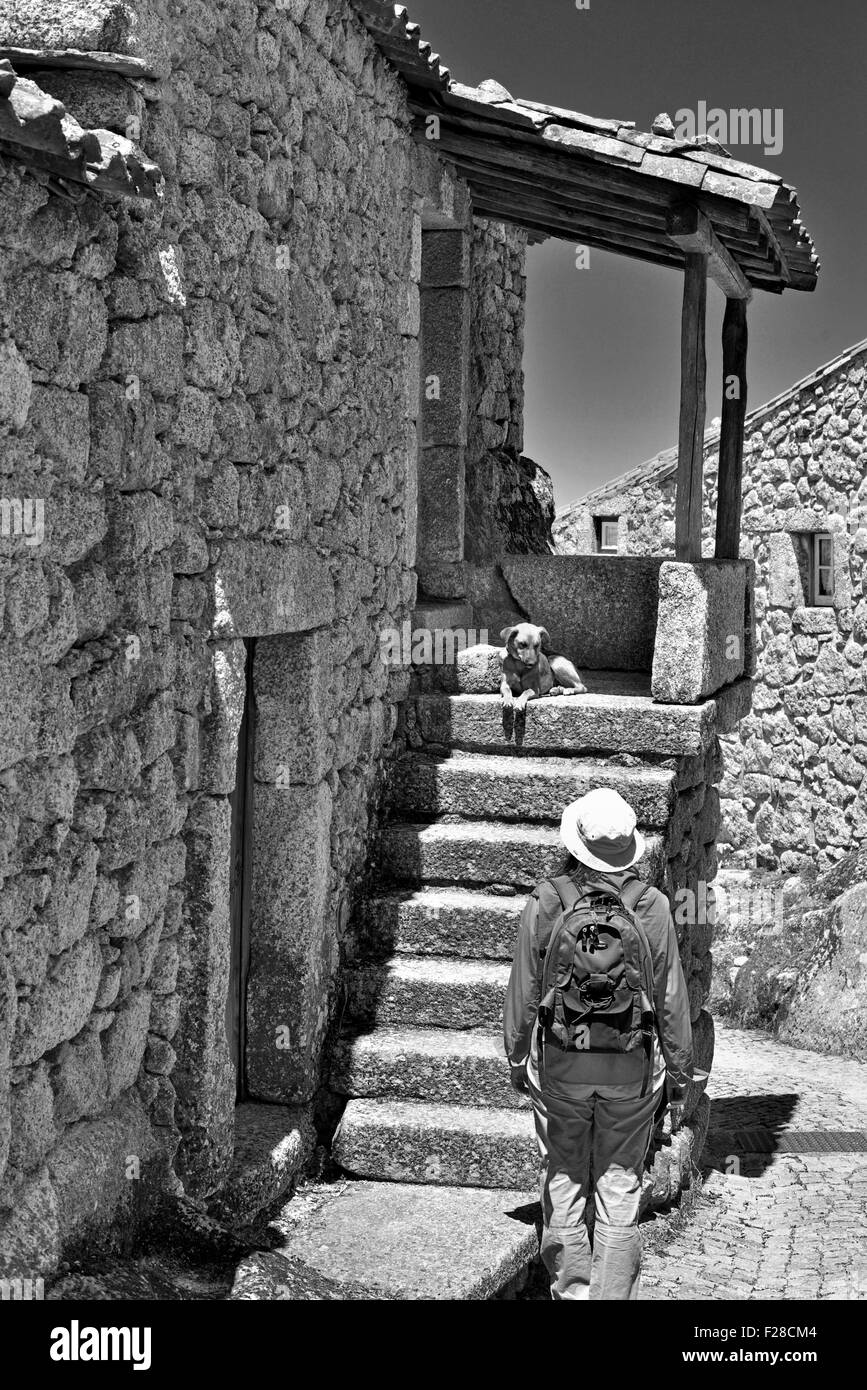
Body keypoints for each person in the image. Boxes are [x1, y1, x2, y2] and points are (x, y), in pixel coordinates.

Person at [504, 787, 693, 1301]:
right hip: (631, 1067)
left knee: (565, 1174)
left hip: (562, 1063)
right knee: (618, 1183)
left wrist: (518, 1055)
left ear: (575, 844)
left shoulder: (547, 900)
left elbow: (523, 987)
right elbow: (671, 996)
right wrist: (678, 1073)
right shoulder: (651, 907)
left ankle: (573, 1293)